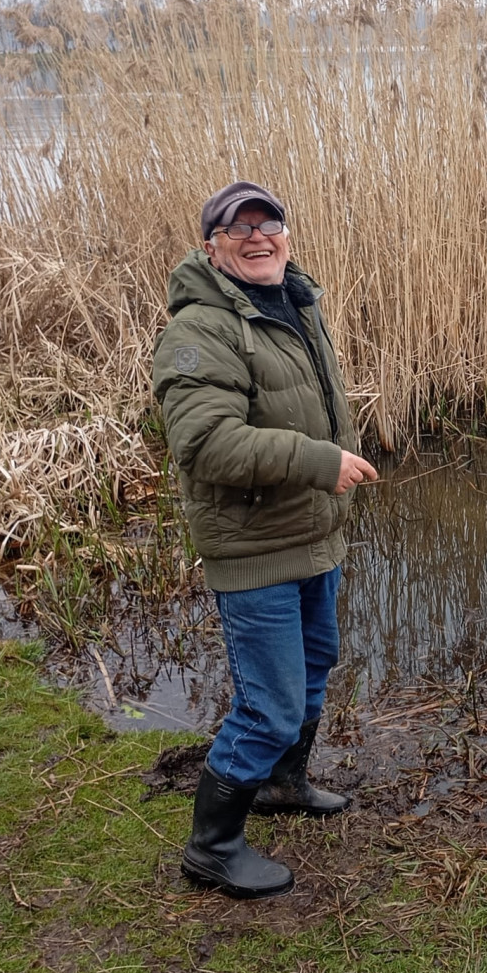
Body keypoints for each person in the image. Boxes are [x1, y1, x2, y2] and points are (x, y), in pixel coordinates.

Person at [152, 181, 378, 899]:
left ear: (286, 233)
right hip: (254, 550)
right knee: (268, 707)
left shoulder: (295, 303)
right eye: (238, 228)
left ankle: (284, 783)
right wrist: (318, 462)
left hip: (312, 535)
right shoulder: (199, 331)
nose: (258, 237)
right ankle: (212, 848)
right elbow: (206, 444)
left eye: (268, 223)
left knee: (315, 666)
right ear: (211, 246)